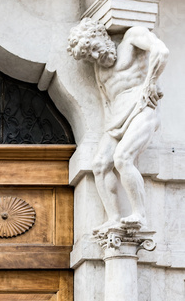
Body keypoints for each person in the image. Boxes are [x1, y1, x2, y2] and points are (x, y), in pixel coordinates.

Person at [68, 18, 169, 233]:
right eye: (89, 56)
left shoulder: (132, 38)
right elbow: (106, 102)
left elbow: (161, 51)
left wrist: (150, 83)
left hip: (142, 107)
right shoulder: (100, 70)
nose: (96, 56)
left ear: (101, 36)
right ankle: (114, 218)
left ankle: (139, 215)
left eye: (94, 48)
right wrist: (110, 130)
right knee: (100, 164)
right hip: (116, 119)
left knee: (122, 158)